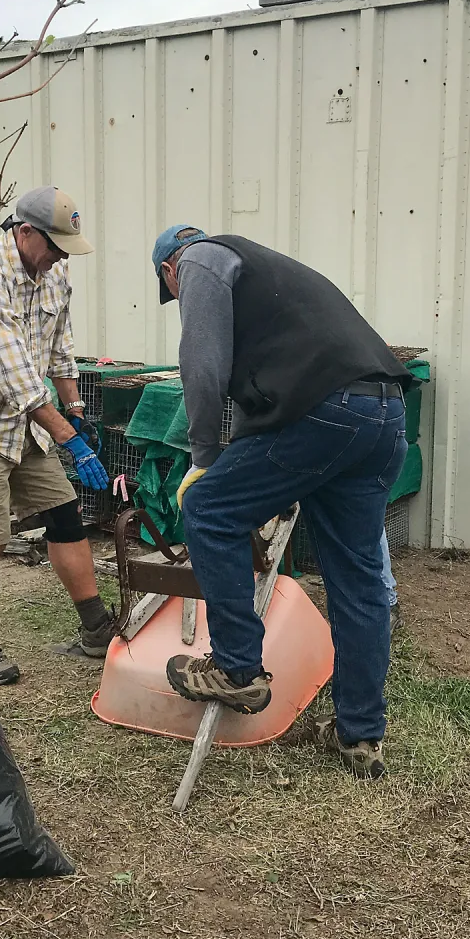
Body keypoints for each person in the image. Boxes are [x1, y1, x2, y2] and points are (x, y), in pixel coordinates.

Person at [152, 225, 412, 779]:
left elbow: (201, 367)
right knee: (359, 580)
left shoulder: (199, 260)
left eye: (171, 295)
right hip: (384, 413)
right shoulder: (274, 278)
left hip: (325, 411)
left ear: (169, 271)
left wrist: (204, 460)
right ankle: (359, 735)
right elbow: (259, 406)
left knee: (208, 510)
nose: (180, 302)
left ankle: (236, 668)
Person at [0, 185, 114, 686]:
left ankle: (97, 628)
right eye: (53, 246)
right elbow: (18, 381)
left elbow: (60, 350)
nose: (58, 258)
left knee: (65, 515)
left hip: (29, 423)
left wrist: (74, 408)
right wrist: (69, 440)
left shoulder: (54, 270)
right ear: (24, 231)